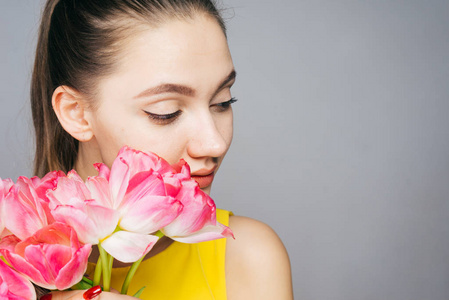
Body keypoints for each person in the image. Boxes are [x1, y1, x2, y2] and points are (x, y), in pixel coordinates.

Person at [31, 0, 293, 299]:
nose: (215, 143)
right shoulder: (10, 262)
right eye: (166, 112)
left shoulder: (247, 255)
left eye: (222, 101)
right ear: (75, 112)